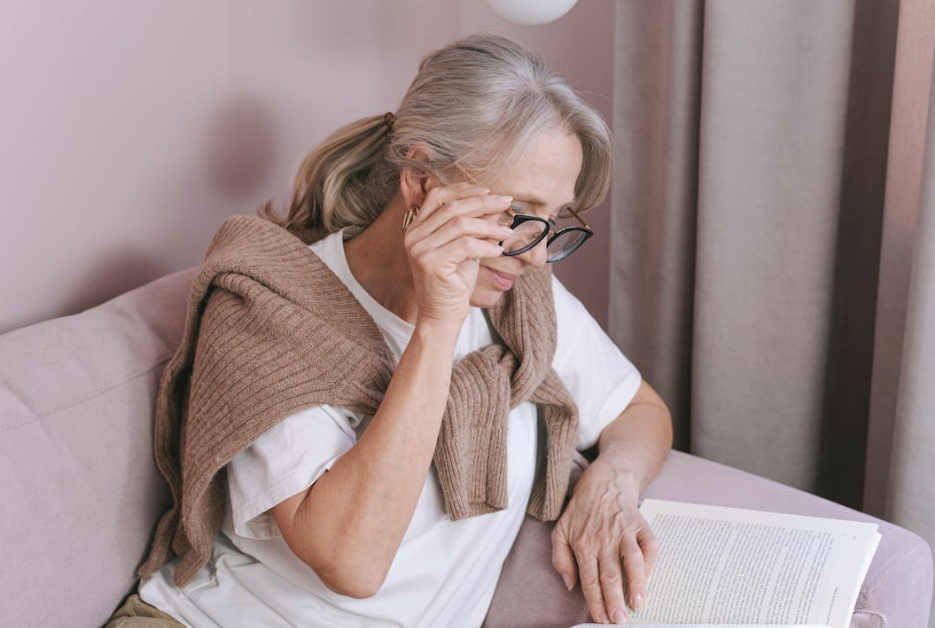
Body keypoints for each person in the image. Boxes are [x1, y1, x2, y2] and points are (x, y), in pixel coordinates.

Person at [108, 33, 673, 628]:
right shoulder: (270, 309)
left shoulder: (519, 300)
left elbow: (640, 410)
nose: (535, 254)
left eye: (552, 220)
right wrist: (438, 324)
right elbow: (353, 564)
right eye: (516, 214)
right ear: (423, 183)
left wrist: (614, 477)